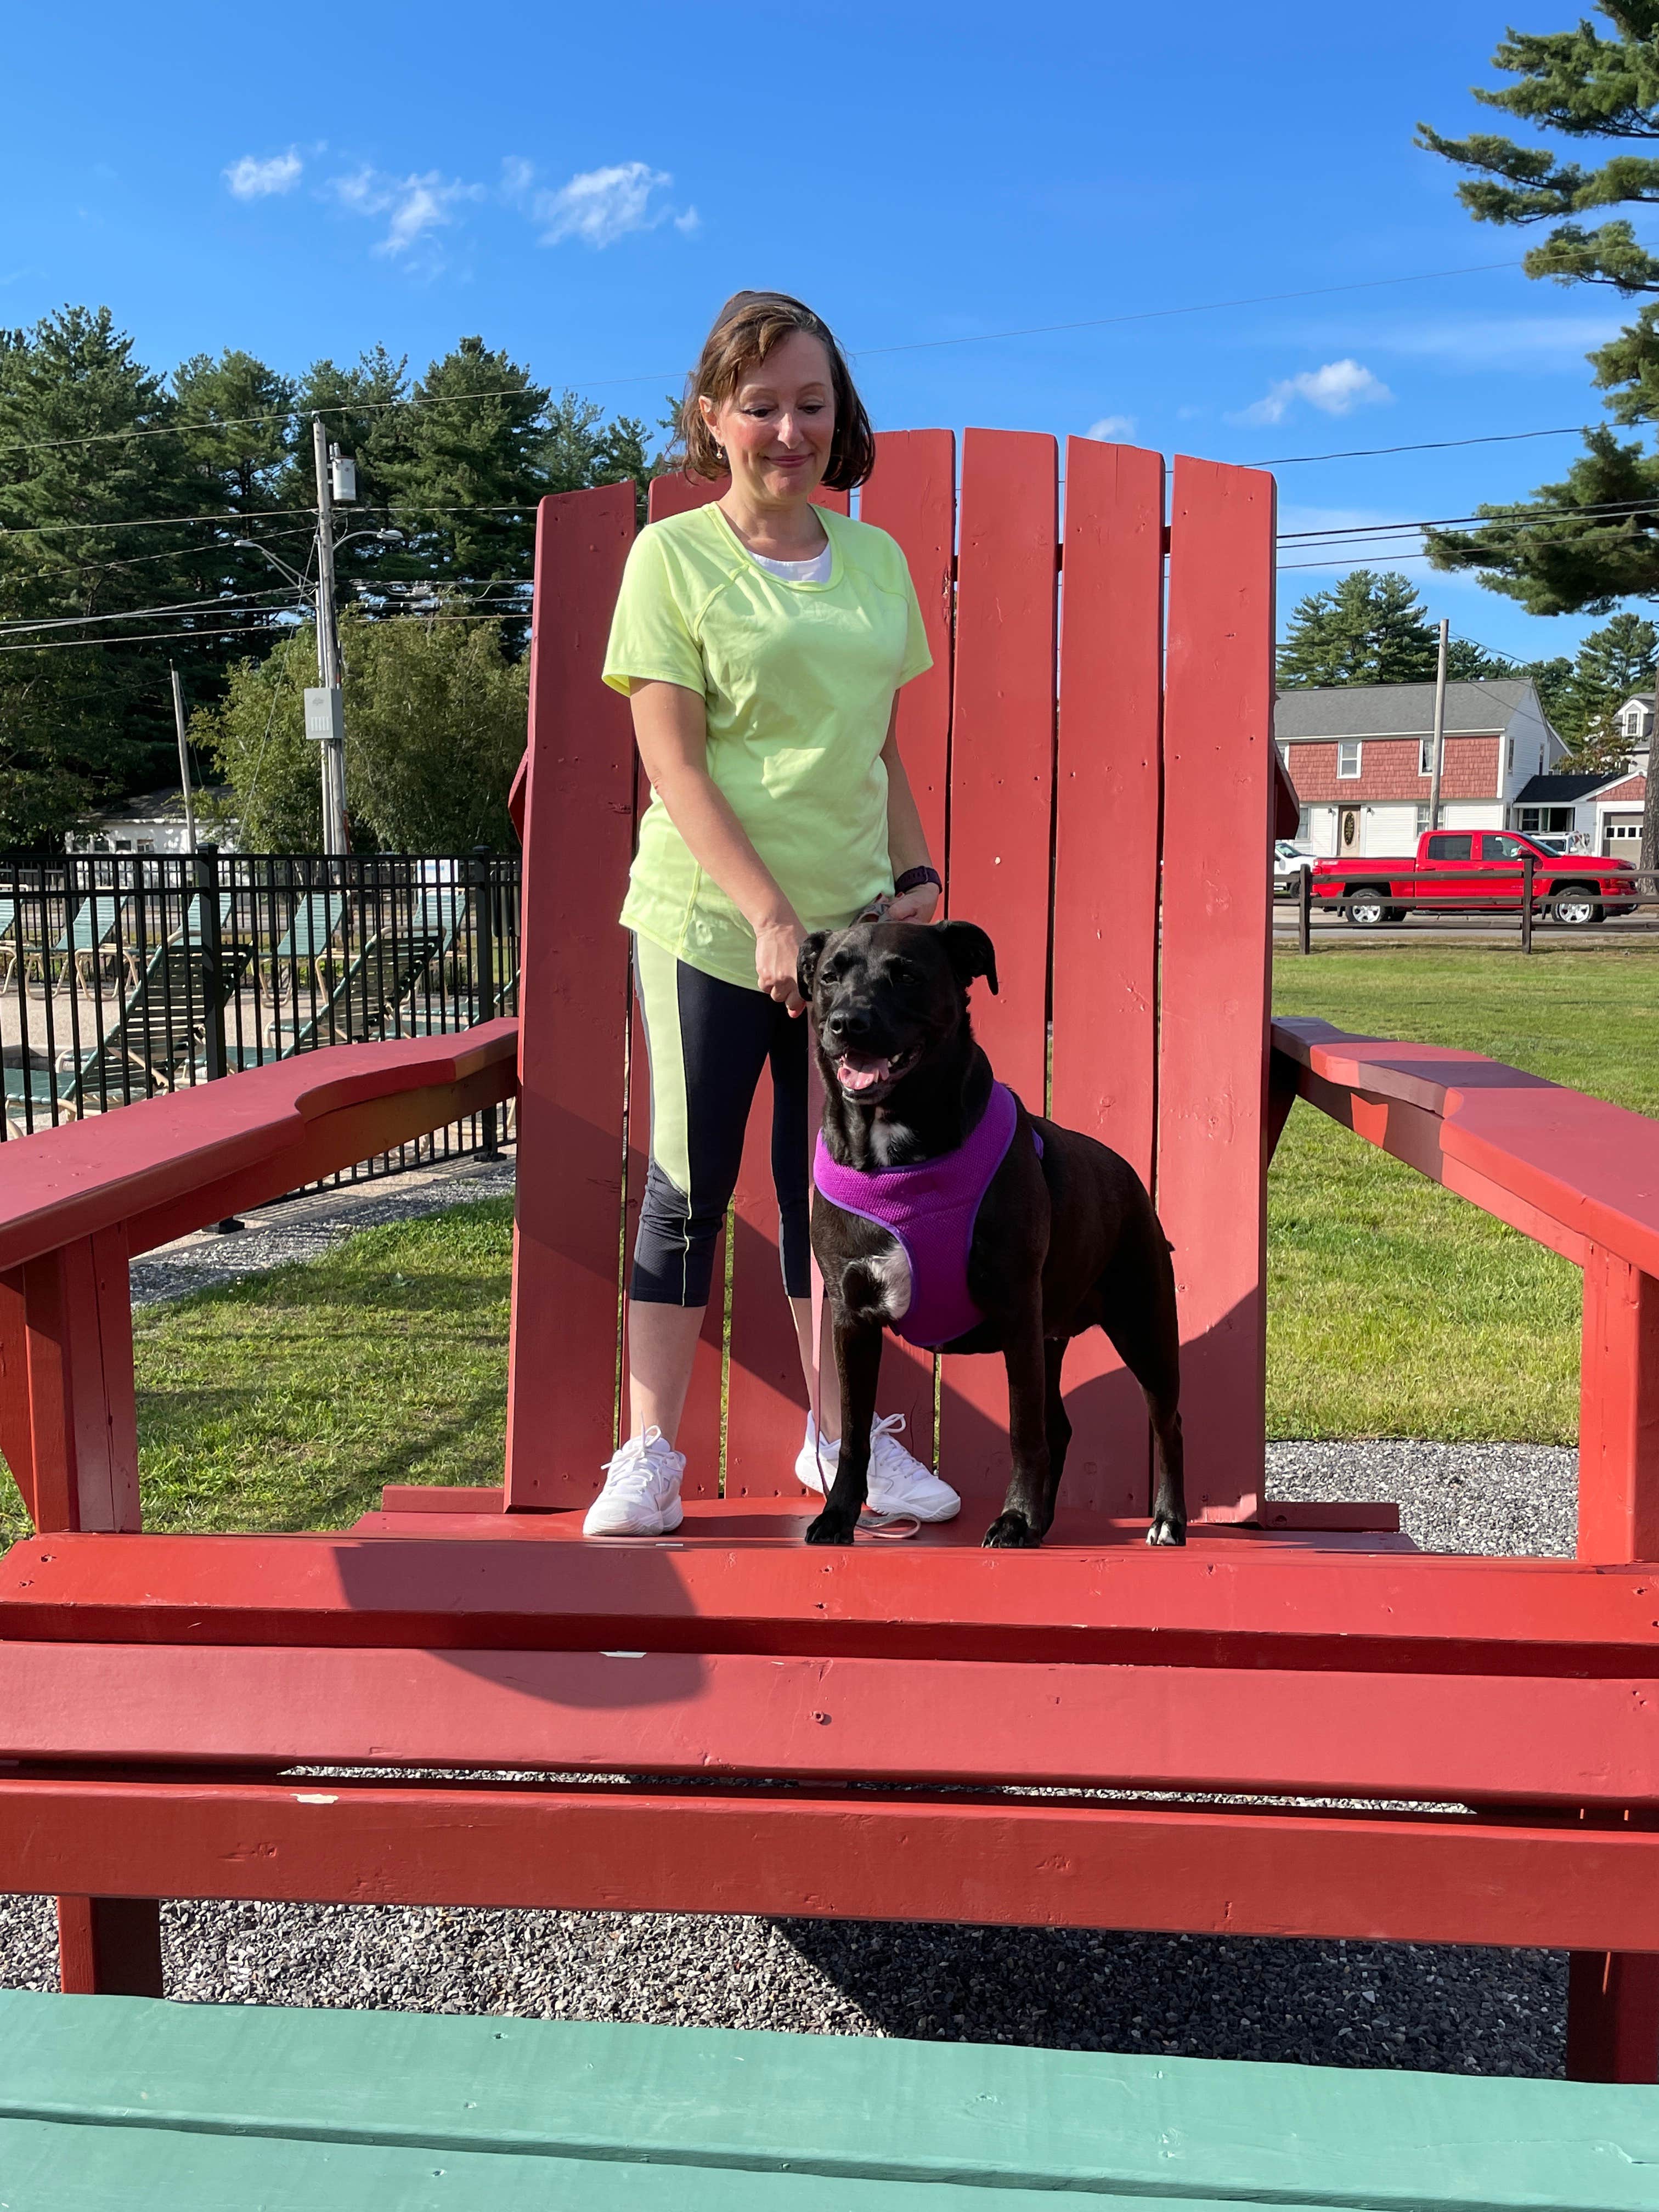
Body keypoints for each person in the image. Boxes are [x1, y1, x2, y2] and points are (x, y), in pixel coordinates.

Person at [586, 289, 961, 1537]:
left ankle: (840, 1440)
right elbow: (676, 765)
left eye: (812, 405)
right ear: (715, 419)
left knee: (842, 1200)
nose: (789, 430)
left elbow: (878, 748)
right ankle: (648, 1455)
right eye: (762, 407)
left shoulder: (876, 562)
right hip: (706, 924)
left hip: (852, 941)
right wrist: (764, 914)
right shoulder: (671, 559)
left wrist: (916, 879)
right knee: (688, 1189)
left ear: (839, 416)